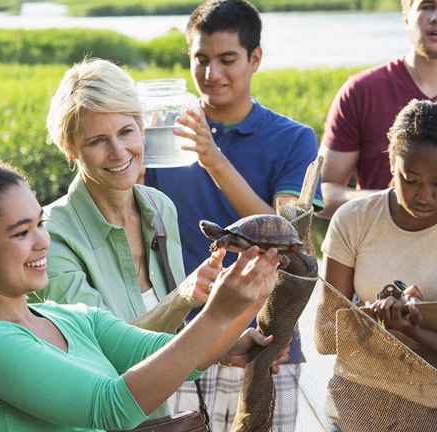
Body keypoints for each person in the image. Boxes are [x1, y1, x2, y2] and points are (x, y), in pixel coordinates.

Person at [0, 160, 282, 432]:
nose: (42, 243)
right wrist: (217, 316)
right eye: (21, 232)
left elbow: (170, 355)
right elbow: (110, 407)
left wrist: (234, 330)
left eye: (40, 223)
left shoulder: (70, 317)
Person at [40, 58, 288, 421]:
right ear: (70, 148)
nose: (119, 152)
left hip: (156, 420)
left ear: (142, 127)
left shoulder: (159, 208)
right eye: (97, 141)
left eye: (126, 131)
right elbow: (100, 352)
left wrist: (225, 344)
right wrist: (182, 299)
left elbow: (162, 346)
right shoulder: (50, 235)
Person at [144, 1, 322, 430]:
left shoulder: (293, 139)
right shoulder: (160, 133)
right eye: (200, 60)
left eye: (227, 60)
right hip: (174, 344)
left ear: (254, 59)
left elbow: (286, 235)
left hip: (265, 345)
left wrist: (213, 158)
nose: (211, 74)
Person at [318, 100, 437, 430]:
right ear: (391, 162)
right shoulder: (355, 220)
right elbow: (326, 336)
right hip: (353, 406)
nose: (424, 195)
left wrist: (409, 325)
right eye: (410, 179)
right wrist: (376, 315)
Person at [319, 0, 437, 218]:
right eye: (427, 6)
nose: (435, 17)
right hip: (376, 245)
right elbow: (321, 195)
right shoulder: (361, 91)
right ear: (405, 14)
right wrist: (392, 199)